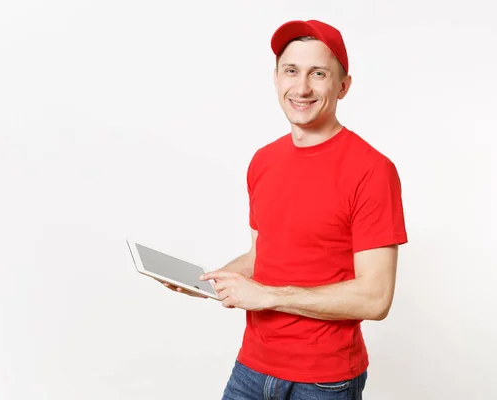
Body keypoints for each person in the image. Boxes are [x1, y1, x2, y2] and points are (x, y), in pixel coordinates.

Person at [162, 19, 408, 400]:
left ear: (343, 86)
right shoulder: (263, 161)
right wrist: (210, 280)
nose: (302, 87)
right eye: (291, 71)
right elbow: (264, 255)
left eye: (319, 73)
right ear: (276, 79)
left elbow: (376, 298)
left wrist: (271, 297)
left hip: (324, 381)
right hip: (252, 367)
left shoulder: (373, 171)